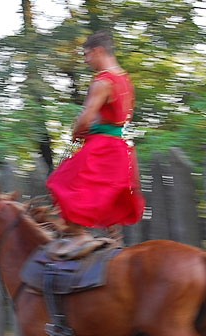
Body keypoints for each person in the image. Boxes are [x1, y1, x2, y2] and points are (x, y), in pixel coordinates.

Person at [46, 31, 145, 258]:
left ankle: (77, 234)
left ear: (98, 51)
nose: (85, 60)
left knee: (59, 181)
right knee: (107, 194)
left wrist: (76, 132)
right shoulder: (125, 80)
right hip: (120, 147)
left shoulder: (103, 81)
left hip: (101, 146)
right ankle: (115, 241)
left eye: (87, 54)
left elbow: (86, 117)